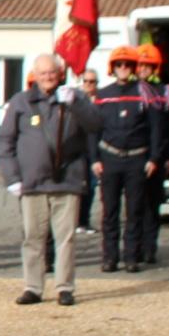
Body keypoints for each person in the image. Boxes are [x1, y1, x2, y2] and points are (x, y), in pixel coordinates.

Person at [0, 53, 102, 306]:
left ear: (60, 74)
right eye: (43, 73)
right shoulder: (20, 102)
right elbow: (5, 141)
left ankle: (65, 287)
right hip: (32, 182)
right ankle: (33, 287)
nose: (48, 78)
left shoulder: (74, 97)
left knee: (65, 238)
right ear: (35, 75)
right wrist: (12, 176)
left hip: (67, 180)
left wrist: (76, 103)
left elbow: (95, 124)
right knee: (33, 237)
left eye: (52, 73)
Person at [89, 46, 161, 275]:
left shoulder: (145, 93)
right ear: (113, 68)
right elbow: (93, 130)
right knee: (109, 212)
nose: (123, 68)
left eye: (128, 64)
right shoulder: (102, 95)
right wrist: (94, 159)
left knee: (134, 212)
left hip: (136, 159)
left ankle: (132, 257)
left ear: (133, 67)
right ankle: (110, 257)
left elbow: (156, 129)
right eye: (119, 64)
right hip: (109, 158)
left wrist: (154, 158)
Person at [136, 43, 169, 264]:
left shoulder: (167, 93)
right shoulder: (130, 91)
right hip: (134, 156)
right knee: (135, 205)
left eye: (148, 66)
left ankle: (149, 248)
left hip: (159, 155)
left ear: (155, 68)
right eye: (141, 65)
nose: (143, 69)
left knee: (153, 205)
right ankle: (133, 248)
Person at [74, 69, 100, 234]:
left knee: (91, 186)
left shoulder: (101, 101)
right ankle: (76, 221)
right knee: (77, 187)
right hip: (78, 149)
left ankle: (84, 220)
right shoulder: (76, 101)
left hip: (95, 150)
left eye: (92, 82)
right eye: (86, 81)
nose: (89, 85)